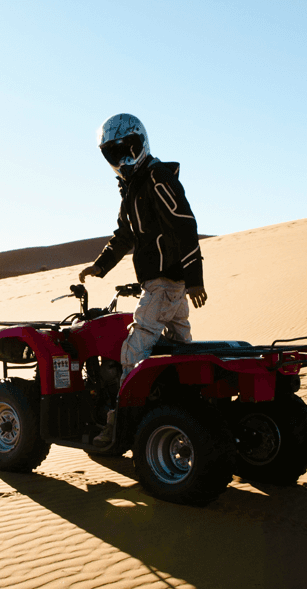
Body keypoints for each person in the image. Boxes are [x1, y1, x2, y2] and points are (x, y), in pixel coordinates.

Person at [80, 113, 207, 447]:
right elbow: (125, 235)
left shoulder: (156, 177)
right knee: (179, 351)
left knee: (133, 352)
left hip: (165, 284)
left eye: (126, 149)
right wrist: (101, 265)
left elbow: (184, 224)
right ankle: (186, 412)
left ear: (140, 143)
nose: (121, 159)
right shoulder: (133, 188)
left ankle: (117, 425)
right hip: (165, 287)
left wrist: (195, 277)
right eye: (112, 153)